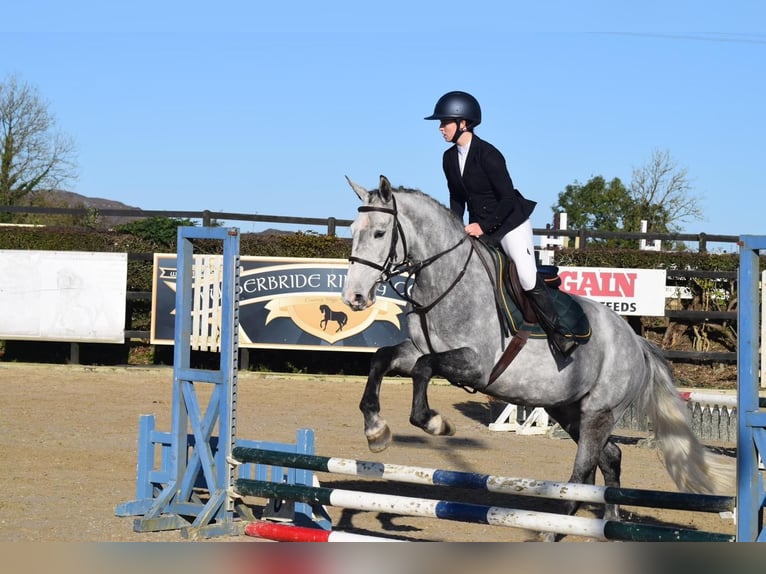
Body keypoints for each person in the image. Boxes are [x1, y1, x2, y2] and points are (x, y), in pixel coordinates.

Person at [424, 90, 576, 358]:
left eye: (444, 122)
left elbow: (507, 198)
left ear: (463, 123)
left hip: (510, 223)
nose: (440, 129)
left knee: (527, 276)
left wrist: (482, 227)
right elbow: (456, 198)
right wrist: (453, 227)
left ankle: (560, 333)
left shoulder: (489, 154)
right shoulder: (449, 159)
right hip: (479, 225)